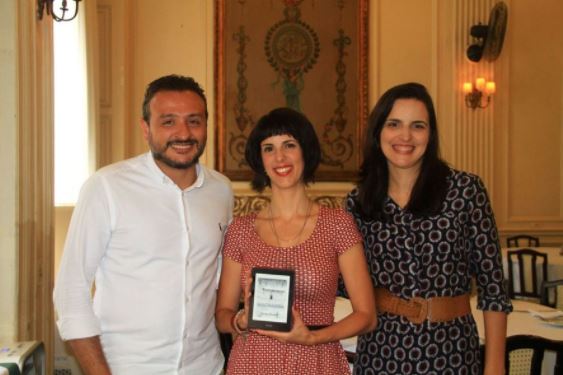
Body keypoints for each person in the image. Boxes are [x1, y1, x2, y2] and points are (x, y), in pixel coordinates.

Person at [53, 74, 234, 375]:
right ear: (146, 128)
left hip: (205, 367)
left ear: (206, 126)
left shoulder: (221, 190)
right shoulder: (106, 187)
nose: (183, 133)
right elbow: (71, 290)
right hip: (127, 367)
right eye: (168, 122)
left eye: (194, 121)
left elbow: (216, 277)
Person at [343, 82, 512, 375]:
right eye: (394, 124)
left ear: (430, 134)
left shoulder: (465, 190)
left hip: (452, 352)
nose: (405, 136)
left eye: (417, 126)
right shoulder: (359, 202)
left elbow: (493, 286)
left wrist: (495, 366)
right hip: (381, 352)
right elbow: (345, 282)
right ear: (378, 132)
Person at [215, 107, 376, 375]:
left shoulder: (337, 224)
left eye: (289, 144)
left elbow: (367, 316)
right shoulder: (241, 230)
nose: (280, 157)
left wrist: (312, 338)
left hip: (318, 361)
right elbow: (223, 314)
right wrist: (240, 321)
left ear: (306, 151)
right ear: (260, 160)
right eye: (269, 148)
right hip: (253, 363)